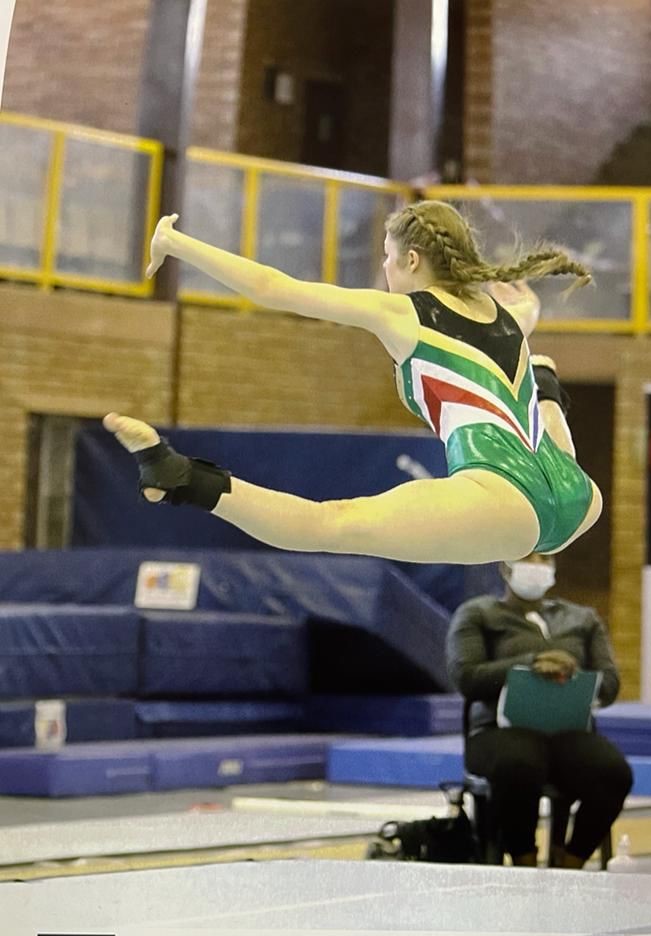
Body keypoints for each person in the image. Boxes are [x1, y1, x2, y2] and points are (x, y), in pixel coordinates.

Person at [104, 199, 602, 565]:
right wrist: (530, 314)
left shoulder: (403, 313)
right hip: (578, 497)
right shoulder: (505, 314)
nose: (383, 268)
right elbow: (513, 323)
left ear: (412, 260)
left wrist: (175, 242)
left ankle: (179, 477)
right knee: (536, 395)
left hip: (506, 498)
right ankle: (545, 383)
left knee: (331, 523)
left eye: (387, 256)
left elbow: (273, 287)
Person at [446, 552, 633, 868]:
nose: (536, 566)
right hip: (498, 732)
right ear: (506, 568)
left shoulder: (583, 619)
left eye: (544, 559)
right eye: (527, 558)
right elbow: (466, 677)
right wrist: (528, 664)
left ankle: (571, 862)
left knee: (614, 772)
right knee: (520, 763)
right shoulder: (478, 613)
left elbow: (610, 683)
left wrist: (572, 672)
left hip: (569, 733)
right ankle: (524, 860)